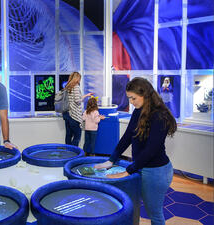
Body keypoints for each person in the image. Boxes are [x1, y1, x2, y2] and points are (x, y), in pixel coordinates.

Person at [94, 77, 177, 225]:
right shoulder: (138, 111)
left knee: (155, 214)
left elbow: (151, 149)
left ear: (144, 94)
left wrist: (128, 171)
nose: (131, 102)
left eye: (133, 98)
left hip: (156, 171)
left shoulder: (159, 115)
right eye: (129, 98)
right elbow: (127, 137)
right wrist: (111, 159)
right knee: (143, 207)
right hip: (142, 167)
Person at [62, 72, 92, 146]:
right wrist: (85, 97)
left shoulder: (67, 87)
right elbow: (77, 100)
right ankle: (74, 154)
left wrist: (85, 95)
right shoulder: (75, 87)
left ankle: (68, 152)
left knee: (68, 135)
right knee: (77, 135)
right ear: (77, 78)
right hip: (74, 115)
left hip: (66, 114)